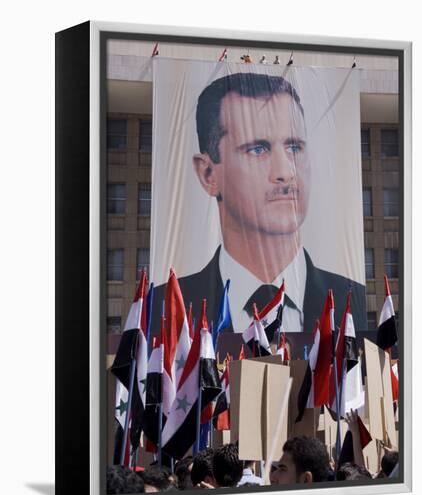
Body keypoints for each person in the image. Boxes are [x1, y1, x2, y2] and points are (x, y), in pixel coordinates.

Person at [152, 72, 366, 336]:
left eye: (294, 147)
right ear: (208, 174)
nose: (285, 172)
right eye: (257, 149)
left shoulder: (352, 299)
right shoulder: (165, 309)